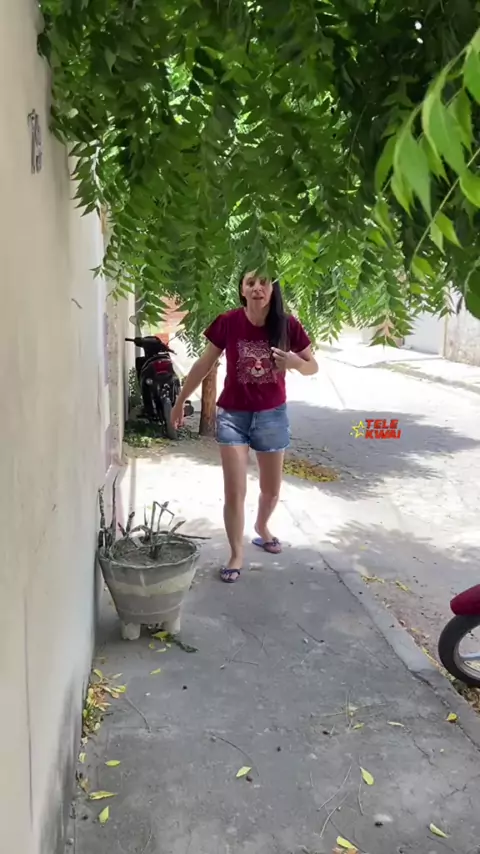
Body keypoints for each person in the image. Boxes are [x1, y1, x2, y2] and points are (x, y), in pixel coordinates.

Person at [170, 271, 318, 583]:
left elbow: (312, 366)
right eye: (250, 282)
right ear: (241, 289)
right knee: (234, 491)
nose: (257, 288)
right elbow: (204, 363)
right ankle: (236, 554)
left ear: (273, 289)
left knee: (271, 490)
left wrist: (295, 363)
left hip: (271, 416)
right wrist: (180, 400)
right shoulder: (228, 322)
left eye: (264, 282)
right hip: (233, 417)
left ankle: (262, 527)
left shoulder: (287, 325)